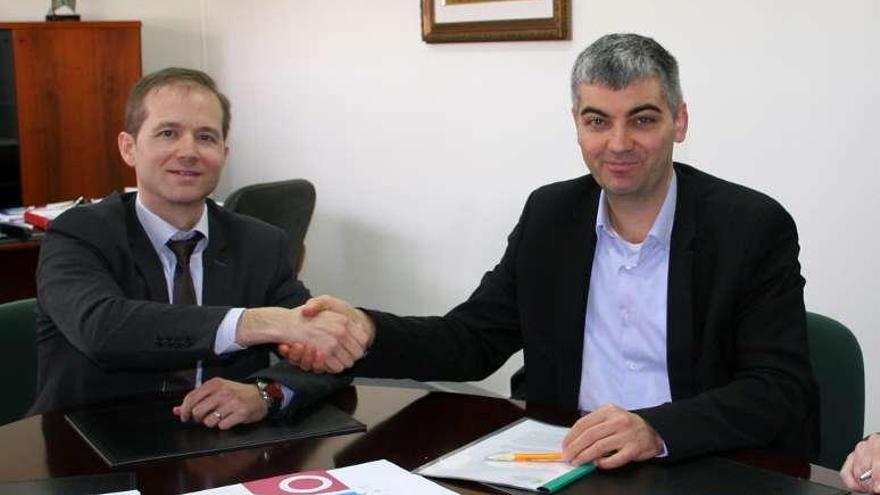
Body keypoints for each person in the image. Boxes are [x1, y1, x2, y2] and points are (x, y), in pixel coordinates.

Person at [288, 33, 818, 468]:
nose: (618, 143)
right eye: (597, 120)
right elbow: (470, 340)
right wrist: (368, 330)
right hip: (566, 461)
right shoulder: (551, 215)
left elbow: (778, 389)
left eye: (642, 119)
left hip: (698, 462)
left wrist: (656, 428)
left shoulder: (750, 226)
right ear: (577, 124)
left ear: (678, 121)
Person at [31, 68, 368, 429]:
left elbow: (328, 352)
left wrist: (264, 393)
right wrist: (256, 322)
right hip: (91, 445)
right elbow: (103, 329)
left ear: (223, 153)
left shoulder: (261, 243)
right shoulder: (79, 232)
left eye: (205, 137)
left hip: (221, 446)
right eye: (167, 133)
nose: (188, 151)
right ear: (129, 148)